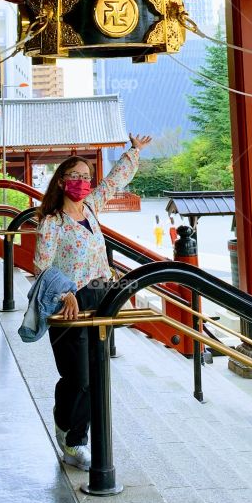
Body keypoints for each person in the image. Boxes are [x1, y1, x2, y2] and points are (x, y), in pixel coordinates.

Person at [34, 133, 152, 469]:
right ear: (61, 181)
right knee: (79, 377)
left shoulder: (91, 209)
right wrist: (65, 292)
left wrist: (134, 151)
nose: (83, 183)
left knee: (95, 373)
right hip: (67, 301)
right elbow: (40, 266)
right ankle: (69, 433)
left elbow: (114, 181)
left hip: (101, 296)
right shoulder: (53, 222)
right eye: (76, 177)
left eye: (87, 177)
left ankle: (74, 437)